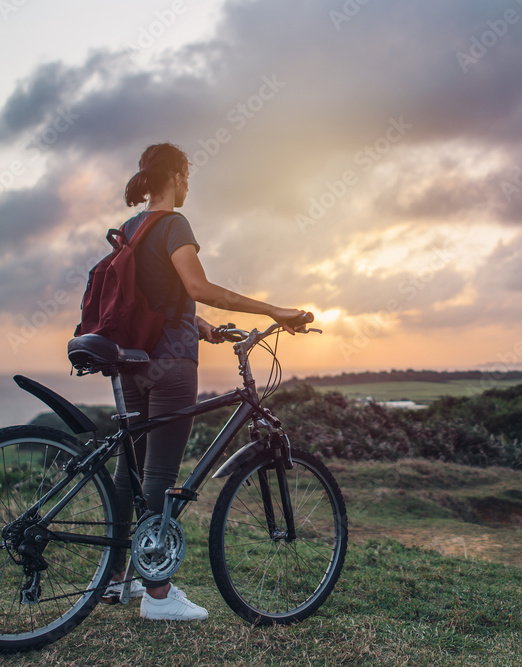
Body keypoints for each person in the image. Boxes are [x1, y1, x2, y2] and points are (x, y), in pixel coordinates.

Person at [101, 142, 307, 621]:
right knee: (157, 477)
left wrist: (203, 327)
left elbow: (152, 299)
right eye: (187, 175)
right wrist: (272, 308)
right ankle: (157, 592)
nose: (189, 184)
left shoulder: (131, 229)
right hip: (171, 364)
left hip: (133, 361)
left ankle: (116, 580)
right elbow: (198, 287)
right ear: (174, 175)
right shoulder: (174, 224)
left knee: (127, 475)